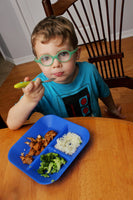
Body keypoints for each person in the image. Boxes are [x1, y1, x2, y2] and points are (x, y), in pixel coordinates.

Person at [7, 16, 125, 130]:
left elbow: (104, 92)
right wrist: (28, 100)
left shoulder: (90, 71)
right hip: (64, 141)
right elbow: (12, 124)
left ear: (77, 54)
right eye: (46, 58)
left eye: (63, 54)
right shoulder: (38, 90)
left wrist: (112, 108)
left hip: (96, 127)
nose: (56, 64)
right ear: (39, 63)